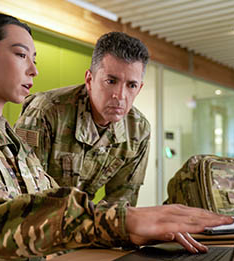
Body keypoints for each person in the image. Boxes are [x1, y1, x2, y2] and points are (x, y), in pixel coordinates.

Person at [0, 13, 234, 261]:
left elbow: (47, 203)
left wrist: (137, 228)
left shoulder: (13, 142)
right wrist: (124, 221)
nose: (33, 71)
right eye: (21, 55)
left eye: (34, 59)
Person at [14, 32, 150, 206]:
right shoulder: (45, 111)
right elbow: (24, 194)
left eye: (131, 85)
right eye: (111, 81)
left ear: (139, 89)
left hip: (83, 222)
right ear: (89, 79)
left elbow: (121, 202)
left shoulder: (138, 130)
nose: (120, 96)